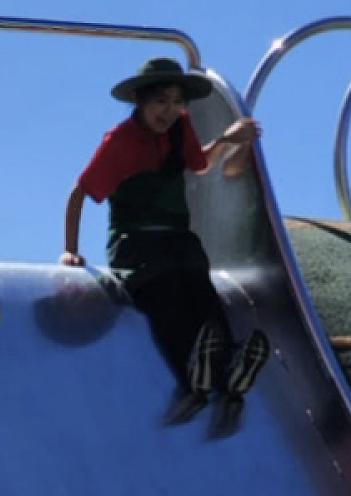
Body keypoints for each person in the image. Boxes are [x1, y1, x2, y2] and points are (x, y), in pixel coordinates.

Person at [60, 57, 270, 400]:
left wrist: (228, 139)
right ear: (140, 100)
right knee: (165, 288)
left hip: (176, 237)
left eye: (177, 102)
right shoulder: (120, 141)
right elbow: (79, 193)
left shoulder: (179, 128)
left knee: (197, 280)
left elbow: (200, 164)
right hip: (135, 243)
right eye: (161, 101)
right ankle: (192, 366)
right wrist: (70, 250)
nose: (170, 111)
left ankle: (228, 359)